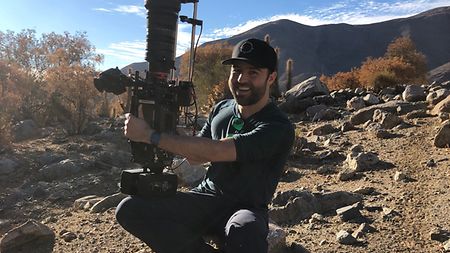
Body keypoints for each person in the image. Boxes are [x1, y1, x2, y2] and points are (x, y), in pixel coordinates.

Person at [116, 38, 295, 253]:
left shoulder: (277, 126)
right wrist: (167, 128)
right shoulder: (222, 109)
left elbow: (218, 150)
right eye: (236, 71)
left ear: (271, 77)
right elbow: (196, 155)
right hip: (205, 198)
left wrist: (150, 135)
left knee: (245, 230)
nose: (241, 79)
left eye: (253, 73)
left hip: (246, 207)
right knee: (130, 208)